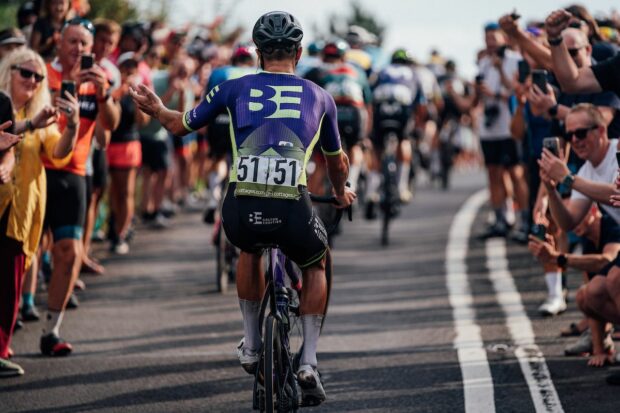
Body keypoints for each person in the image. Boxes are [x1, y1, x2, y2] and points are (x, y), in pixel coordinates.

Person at [131, 11, 355, 405]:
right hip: (294, 209)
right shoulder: (320, 97)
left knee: (249, 249)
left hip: (241, 206)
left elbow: (180, 124)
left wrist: (155, 108)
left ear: (258, 54)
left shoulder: (233, 88)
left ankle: (251, 345)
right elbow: (336, 162)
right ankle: (310, 360)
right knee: (317, 262)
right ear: (299, 53)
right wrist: (340, 193)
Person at [40, 17, 120, 356]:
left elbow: (110, 126)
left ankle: (51, 330)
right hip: (38, 168)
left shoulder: (96, 81)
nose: (78, 49)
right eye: (72, 42)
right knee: (24, 254)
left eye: (84, 44)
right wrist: (66, 84)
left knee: (70, 253)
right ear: (59, 42)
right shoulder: (42, 72)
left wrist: (103, 94)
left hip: (74, 172)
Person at [0, 48, 79, 377]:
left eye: (38, 76)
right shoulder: (2, 105)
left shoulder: (41, 115)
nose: (33, 81)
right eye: (26, 73)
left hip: (20, 211)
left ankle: (0, 349)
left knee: (8, 285)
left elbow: (58, 153)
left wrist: (72, 126)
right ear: (8, 70)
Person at [545, 9, 620, 96]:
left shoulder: (607, 49)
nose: (569, 57)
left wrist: (553, 109)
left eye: (573, 52)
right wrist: (555, 38)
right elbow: (573, 83)